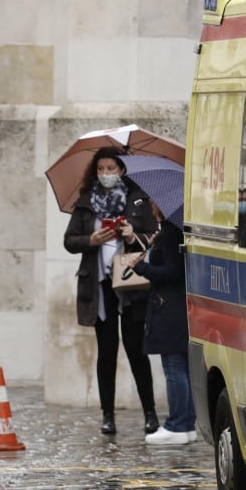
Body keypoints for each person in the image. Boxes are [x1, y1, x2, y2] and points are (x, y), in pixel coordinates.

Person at [63, 147, 159, 436]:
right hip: (99, 284)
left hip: (129, 283)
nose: (106, 174)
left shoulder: (138, 200)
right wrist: (92, 239)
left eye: (111, 168)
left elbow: (154, 237)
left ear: (122, 170)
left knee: (136, 351)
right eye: (101, 168)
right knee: (106, 352)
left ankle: (150, 414)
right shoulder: (85, 201)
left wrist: (133, 235)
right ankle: (107, 415)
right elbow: (69, 241)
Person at [130, 203, 197, 444]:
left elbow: (172, 271)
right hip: (176, 306)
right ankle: (186, 423)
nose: (150, 205)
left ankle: (178, 424)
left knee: (174, 367)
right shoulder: (170, 231)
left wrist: (142, 267)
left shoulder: (170, 233)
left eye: (152, 202)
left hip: (170, 307)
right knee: (180, 367)